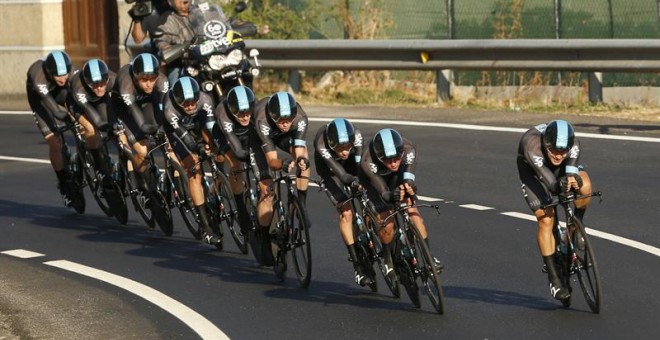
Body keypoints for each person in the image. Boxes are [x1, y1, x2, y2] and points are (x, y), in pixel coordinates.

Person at [516, 119, 593, 301]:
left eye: (562, 151)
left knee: (585, 185)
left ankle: (578, 222)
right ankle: (553, 278)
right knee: (546, 218)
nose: (558, 156)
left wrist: (574, 180)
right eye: (554, 151)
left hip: (557, 171)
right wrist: (560, 185)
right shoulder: (531, 145)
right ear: (546, 144)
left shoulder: (573, 144)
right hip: (533, 172)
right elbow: (552, 185)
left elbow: (571, 172)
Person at [359, 128, 441, 282]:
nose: (393, 163)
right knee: (386, 219)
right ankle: (388, 259)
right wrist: (391, 196)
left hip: (396, 177)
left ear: (401, 152)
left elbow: (408, 176)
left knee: (412, 210)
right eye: (387, 159)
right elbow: (384, 193)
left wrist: (408, 185)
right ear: (379, 157)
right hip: (374, 182)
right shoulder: (367, 161)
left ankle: (429, 258)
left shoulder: (408, 148)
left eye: (396, 158)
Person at [251, 91, 310, 266]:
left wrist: (300, 161)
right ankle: (264, 239)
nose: (285, 124)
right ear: (272, 116)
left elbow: (299, 150)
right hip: (261, 139)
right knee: (267, 191)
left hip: (284, 139)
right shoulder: (263, 119)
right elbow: (272, 161)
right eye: (281, 120)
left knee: (304, 156)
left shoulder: (300, 118)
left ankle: (301, 206)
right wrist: (282, 164)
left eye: (288, 120)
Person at [313, 118, 373, 286]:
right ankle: (357, 266)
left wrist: (362, 183)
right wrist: (352, 182)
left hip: (353, 166)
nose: (345, 151)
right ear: (332, 144)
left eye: (348, 146)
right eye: (340, 148)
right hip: (330, 171)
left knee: (368, 197)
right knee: (346, 213)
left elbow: (360, 166)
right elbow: (342, 175)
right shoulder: (321, 143)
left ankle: (371, 231)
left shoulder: (357, 136)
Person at [164, 76, 222, 246]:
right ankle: (205, 227)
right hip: (177, 130)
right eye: (185, 103)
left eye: (193, 101)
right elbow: (187, 140)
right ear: (176, 100)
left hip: (198, 121)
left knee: (216, 148)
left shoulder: (205, 99)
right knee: (194, 167)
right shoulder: (169, 108)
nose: (190, 105)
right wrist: (199, 149)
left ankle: (216, 187)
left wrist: (214, 147)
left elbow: (211, 128)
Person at [113, 53, 170, 205]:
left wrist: (163, 128)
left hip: (146, 102)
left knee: (166, 137)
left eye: (152, 79)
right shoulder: (126, 84)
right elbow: (142, 125)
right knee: (142, 150)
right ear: (135, 76)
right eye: (144, 80)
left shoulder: (162, 81)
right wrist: (152, 130)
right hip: (124, 109)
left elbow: (164, 110)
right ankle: (141, 184)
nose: (149, 84)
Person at [26, 50, 78, 207]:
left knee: (78, 111)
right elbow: (54, 109)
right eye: (58, 75)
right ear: (49, 73)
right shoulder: (38, 75)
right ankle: (63, 182)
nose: (62, 78)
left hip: (60, 94)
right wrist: (65, 115)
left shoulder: (71, 70)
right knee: (55, 143)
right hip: (41, 101)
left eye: (65, 74)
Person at [212, 85, 256, 233]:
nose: (244, 116)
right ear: (231, 109)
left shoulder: (255, 110)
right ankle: (240, 207)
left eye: (247, 112)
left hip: (246, 134)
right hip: (225, 137)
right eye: (239, 112)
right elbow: (237, 150)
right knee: (236, 164)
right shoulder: (222, 113)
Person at [67, 58, 117, 189]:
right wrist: (103, 125)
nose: (100, 87)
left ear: (107, 79)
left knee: (116, 126)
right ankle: (99, 168)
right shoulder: (79, 86)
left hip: (100, 101)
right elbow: (92, 115)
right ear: (88, 82)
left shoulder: (112, 79)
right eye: (94, 84)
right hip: (78, 105)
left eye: (102, 83)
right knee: (90, 129)